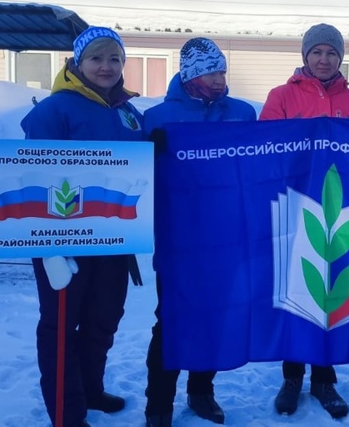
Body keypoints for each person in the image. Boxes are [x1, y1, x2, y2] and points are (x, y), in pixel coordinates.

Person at [21, 26, 143, 427]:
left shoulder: (127, 112)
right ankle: (67, 411)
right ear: (76, 63)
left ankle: (90, 388)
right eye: (96, 58)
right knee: (59, 324)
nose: (106, 67)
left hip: (112, 235)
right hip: (63, 240)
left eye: (114, 59)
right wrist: (49, 247)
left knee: (103, 318)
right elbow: (31, 176)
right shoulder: (53, 111)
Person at [142, 38, 256, 427]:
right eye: (210, 71)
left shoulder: (243, 113)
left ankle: (202, 391)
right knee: (171, 319)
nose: (219, 79)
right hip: (178, 240)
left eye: (222, 70)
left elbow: (256, 170)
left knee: (215, 317)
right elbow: (136, 178)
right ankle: (158, 403)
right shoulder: (157, 117)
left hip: (227, 237)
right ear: (190, 75)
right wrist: (149, 152)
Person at [260, 23, 349, 420]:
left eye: (331, 53)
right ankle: (291, 378)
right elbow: (266, 150)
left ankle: (325, 379)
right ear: (305, 56)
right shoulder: (282, 96)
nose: (324, 60)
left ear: (341, 58)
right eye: (317, 52)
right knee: (297, 291)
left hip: (338, 210)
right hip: (294, 208)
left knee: (332, 295)